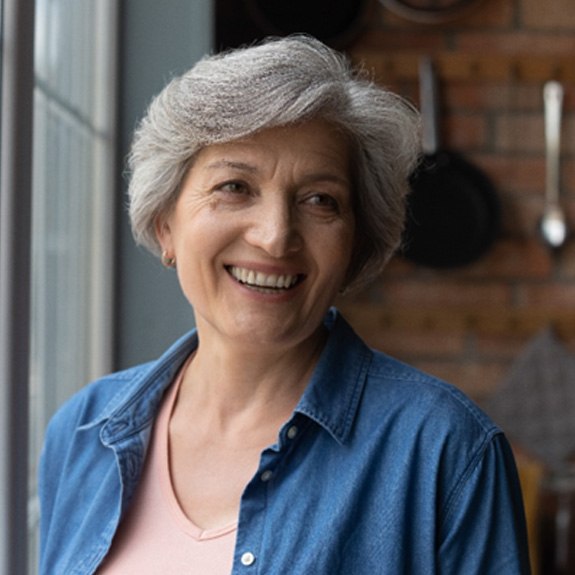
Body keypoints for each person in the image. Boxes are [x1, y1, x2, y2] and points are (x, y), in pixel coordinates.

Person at [39, 36, 530, 574]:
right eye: (234, 186)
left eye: (320, 200)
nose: (276, 237)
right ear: (165, 223)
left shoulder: (447, 451)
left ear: (355, 245)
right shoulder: (83, 431)